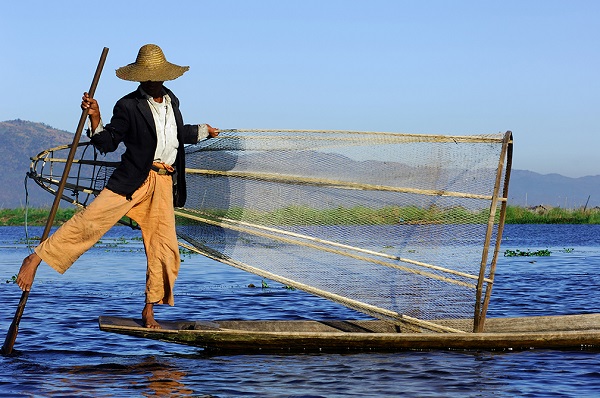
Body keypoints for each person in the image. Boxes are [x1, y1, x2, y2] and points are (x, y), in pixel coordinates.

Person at [16, 44, 219, 329]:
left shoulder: (172, 101)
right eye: (147, 77)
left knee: (165, 249)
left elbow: (175, 134)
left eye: (157, 76)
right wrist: (95, 117)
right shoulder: (128, 105)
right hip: (133, 179)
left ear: (164, 77)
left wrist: (203, 131)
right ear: (139, 78)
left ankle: (149, 310)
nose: (153, 81)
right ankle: (36, 257)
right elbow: (108, 143)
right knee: (90, 222)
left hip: (162, 182)